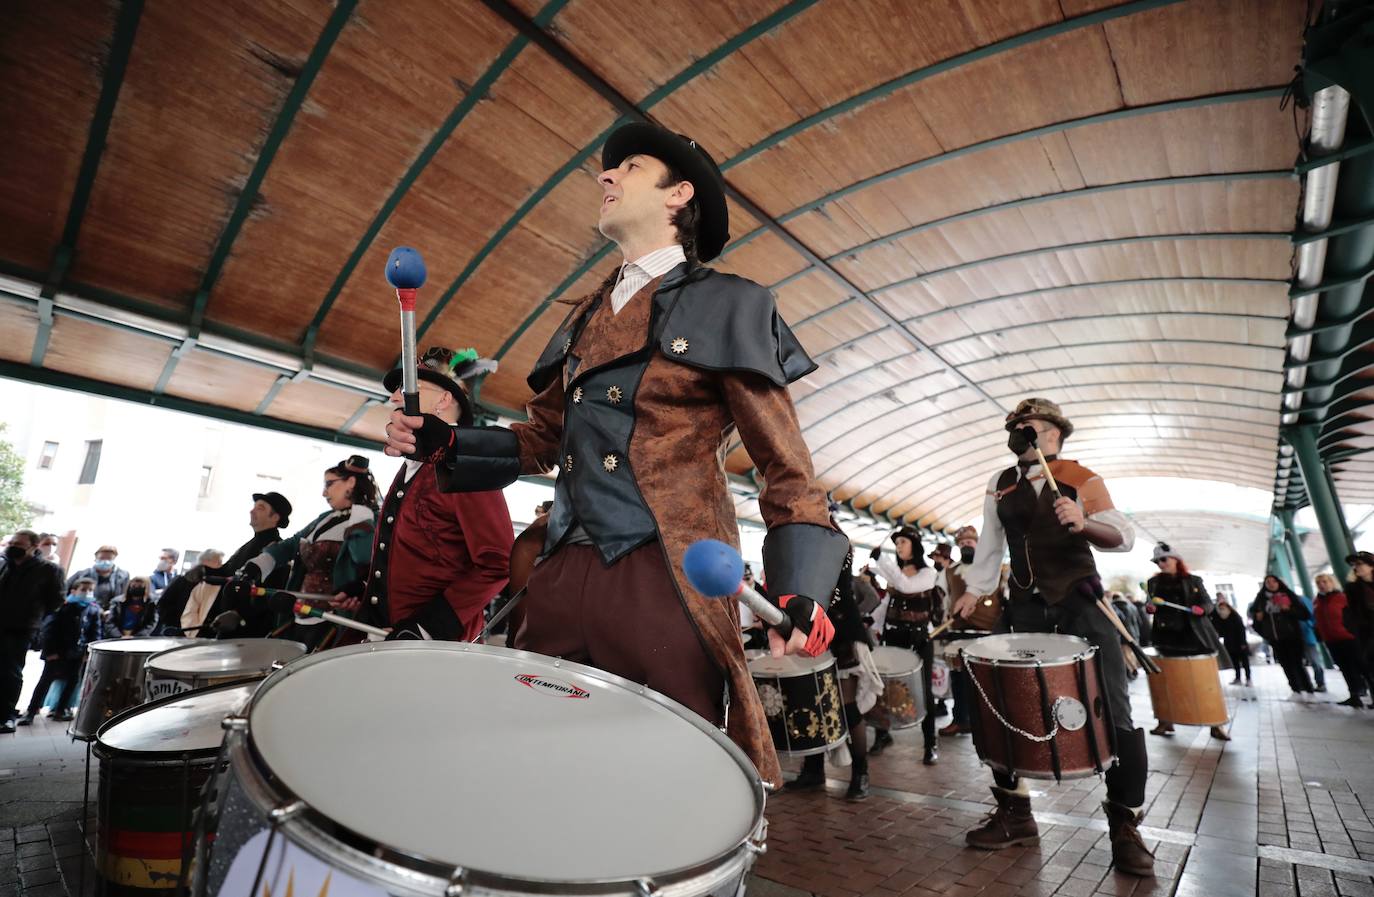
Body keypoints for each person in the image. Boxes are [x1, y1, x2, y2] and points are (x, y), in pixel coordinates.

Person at [381, 122, 846, 788]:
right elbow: (540, 440)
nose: (605, 176)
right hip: (558, 573)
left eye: (628, 167)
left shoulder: (731, 304)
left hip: (667, 576)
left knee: (659, 780)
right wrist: (444, 440)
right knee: (534, 770)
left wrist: (800, 589)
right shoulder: (582, 318)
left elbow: (787, 467)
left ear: (678, 195)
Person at [954, 398, 1152, 876]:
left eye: (1032, 427)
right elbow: (990, 545)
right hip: (1022, 606)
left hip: (1080, 605)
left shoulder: (1082, 478)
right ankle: (1014, 812)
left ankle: (1125, 826)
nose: (1022, 432)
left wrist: (1085, 523)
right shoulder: (999, 484)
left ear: (1055, 435)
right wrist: (976, 591)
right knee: (994, 699)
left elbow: (1122, 536)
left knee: (1114, 708)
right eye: (1016, 427)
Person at [366, 347, 513, 640]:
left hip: (435, 647)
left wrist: (426, 627)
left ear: (445, 400)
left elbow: (498, 562)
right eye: (396, 390)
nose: (395, 397)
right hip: (386, 637)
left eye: (408, 388)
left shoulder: (467, 465)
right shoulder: (413, 465)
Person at [228, 458, 378, 648]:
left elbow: (363, 556)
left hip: (337, 621)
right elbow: (289, 545)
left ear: (351, 482)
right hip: (298, 615)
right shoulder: (324, 518)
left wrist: (362, 512)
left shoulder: (372, 518)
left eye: (329, 484)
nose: (324, 492)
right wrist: (255, 566)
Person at [788, 544, 880, 801]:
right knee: (811, 700)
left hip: (841, 632)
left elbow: (833, 585)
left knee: (848, 708)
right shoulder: (797, 538)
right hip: (812, 630)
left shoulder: (835, 540)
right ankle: (814, 771)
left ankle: (861, 774)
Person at [1144, 543, 1229, 741]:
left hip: (1194, 636)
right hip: (1166, 638)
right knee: (1166, 682)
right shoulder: (1153, 583)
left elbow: (1208, 603)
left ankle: (1216, 724)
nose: (1160, 564)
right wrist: (1150, 609)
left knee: (1205, 682)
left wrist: (1203, 609)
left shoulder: (1193, 580)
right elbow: (1150, 604)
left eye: (1164, 559)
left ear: (1176, 560)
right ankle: (1165, 721)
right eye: (1157, 561)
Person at [870, 527, 939, 765]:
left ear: (914, 545)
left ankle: (930, 743)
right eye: (896, 543)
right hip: (893, 636)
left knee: (925, 689)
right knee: (883, 686)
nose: (898, 546)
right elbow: (886, 604)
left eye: (902, 542)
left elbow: (906, 587)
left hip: (919, 639)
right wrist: (871, 621)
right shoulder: (896, 573)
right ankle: (882, 734)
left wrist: (882, 561)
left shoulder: (928, 573)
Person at [0, 531, 65, 733]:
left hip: (21, 628)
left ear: (33, 547)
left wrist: (33, 616)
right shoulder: (4, 564)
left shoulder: (49, 570)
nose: (13, 546)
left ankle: (6, 716)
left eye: (18, 543)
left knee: (10, 673)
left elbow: (55, 602)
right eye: (12, 542)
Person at [16, 576, 102, 726]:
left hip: (78, 652)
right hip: (57, 652)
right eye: (83, 589)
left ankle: (60, 710)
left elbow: (95, 632)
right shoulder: (62, 607)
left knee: (72, 682)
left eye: (90, 590)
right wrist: (50, 651)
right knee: (45, 681)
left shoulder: (93, 609)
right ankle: (31, 711)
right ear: (74, 590)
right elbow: (49, 630)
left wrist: (88, 652)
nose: (87, 593)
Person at [1250, 574, 1315, 697]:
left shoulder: (1289, 596)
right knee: (1285, 663)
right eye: (1268, 582)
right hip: (1275, 638)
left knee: (1297, 663)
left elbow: (1304, 614)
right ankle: (1295, 688)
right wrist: (1261, 625)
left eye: (1274, 581)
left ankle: (1308, 687)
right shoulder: (1261, 600)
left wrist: (1288, 609)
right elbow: (1255, 620)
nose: (1271, 584)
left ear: (1279, 583)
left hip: (1293, 636)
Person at [1312, 572, 1368, 708]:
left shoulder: (1342, 597)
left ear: (1332, 582)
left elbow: (1353, 616)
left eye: (1325, 581)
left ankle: (1366, 691)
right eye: (1319, 583)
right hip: (1331, 640)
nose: (1322, 585)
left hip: (1348, 638)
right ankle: (1354, 695)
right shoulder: (1317, 601)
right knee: (1345, 667)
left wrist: (1351, 631)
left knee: (1362, 667)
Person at [66, 545, 128, 610]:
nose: (105, 561)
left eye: (109, 559)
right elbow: (64, 591)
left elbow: (124, 596)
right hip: (83, 612)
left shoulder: (123, 576)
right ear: (95, 558)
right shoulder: (82, 574)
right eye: (102, 558)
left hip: (109, 614)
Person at [179, 551, 226, 634]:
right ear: (206, 561)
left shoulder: (214, 581)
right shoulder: (185, 580)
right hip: (186, 629)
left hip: (191, 628)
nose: (220, 565)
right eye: (217, 562)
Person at [1346, 551, 1374, 685]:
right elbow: (1351, 614)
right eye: (1354, 565)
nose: (1356, 567)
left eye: (1359, 564)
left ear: (1371, 566)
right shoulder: (1352, 588)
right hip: (1367, 637)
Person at [1210, 598, 1251, 686]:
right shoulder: (1221, 619)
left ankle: (1248, 678)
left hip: (1239, 643)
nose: (1222, 611)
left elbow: (1241, 630)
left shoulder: (1235, 617)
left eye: (1223, 608)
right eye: (1220, 609)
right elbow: (1218, 627)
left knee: (1245, 662)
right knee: (1235, 662)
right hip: (1229, 643)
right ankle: (1238, 678)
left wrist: (1243, 643)